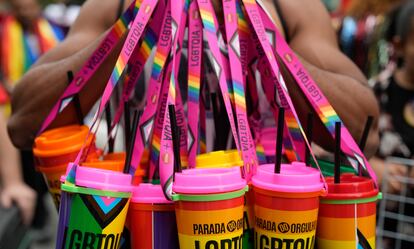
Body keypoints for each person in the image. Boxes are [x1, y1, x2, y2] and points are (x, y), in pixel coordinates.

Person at [8, 0, 379, 158]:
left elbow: (367, 129)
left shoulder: (288, 7)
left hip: (266, 235)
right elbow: (23, 123)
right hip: (148, 237)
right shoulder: (116, 5)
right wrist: (136, 26)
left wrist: (258, 35)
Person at [0, 0, 64, 238]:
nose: (27, 12)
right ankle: (38, 219)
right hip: (17, 109)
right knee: (30, 166)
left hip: (48, 110)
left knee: (50, 167)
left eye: (30, 7)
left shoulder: (52, 30)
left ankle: (47, 212)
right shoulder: (5, 33)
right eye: (21, 9)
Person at [370, 1, 414, 249]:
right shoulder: (374, 94)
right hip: (385, 243)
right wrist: (375, 167)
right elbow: (344, 150)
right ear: (398, 46)